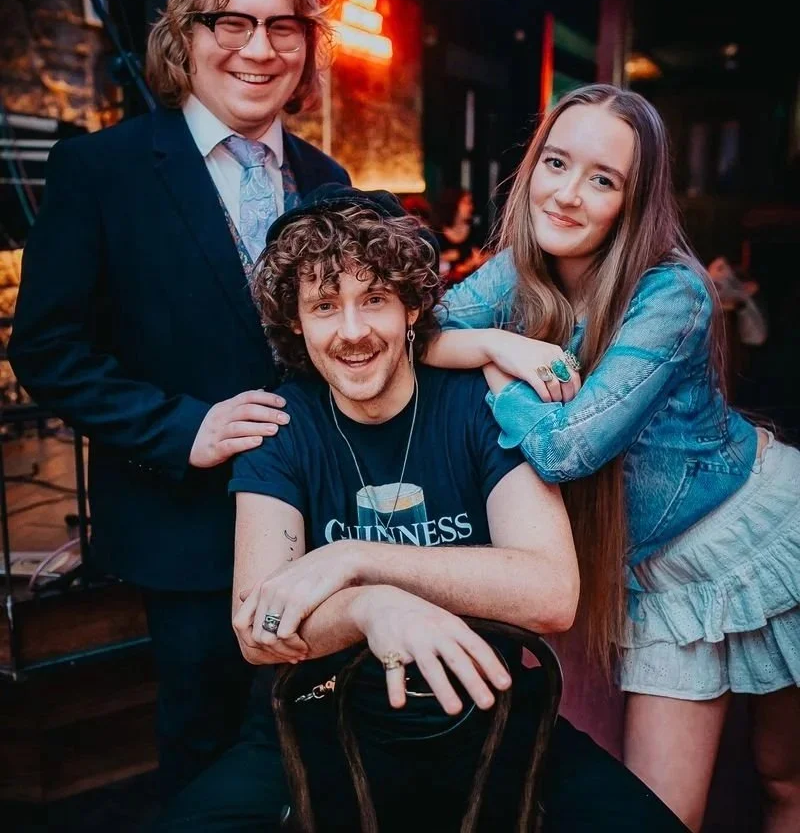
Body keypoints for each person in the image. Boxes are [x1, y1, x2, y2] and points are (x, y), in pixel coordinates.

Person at [152, 184, 687, 832]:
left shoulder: (478, 404)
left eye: (374, 299)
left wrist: (354, 560)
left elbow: (551, 593)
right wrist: (370, 606)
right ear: (296, 321)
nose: (352, 332)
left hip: (489, 714)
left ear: (411, 306)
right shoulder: (284, 426)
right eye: (325, 305)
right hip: (322, 719)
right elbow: (257, 628)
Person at [7, 0, 349, 798]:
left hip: (325, 529)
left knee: (323, 746)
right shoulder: (101, 170)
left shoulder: (331, 182)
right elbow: (46, 348)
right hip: (184, 527)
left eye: (282, 26)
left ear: (307, 45)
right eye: (229, 22)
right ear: (184, 34)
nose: (257, 49)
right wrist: (179, 427)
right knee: (205, 756)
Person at [425, 84, 800, 832]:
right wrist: (500, 342)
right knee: (654, 818)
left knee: (783, 779)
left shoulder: (673, 293)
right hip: (660, 582)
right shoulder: (516, 270)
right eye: (556, 163)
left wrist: (496, 377)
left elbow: (568, 449)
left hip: (763, 536)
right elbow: (413, 333)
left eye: (603, 179)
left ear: (636, 200)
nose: (566, 195)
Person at [435, 187, 487, 284]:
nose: (471, 207)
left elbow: (487, 255)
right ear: (453, 204)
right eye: (466, 202)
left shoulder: (476, 232)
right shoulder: (437, 234)